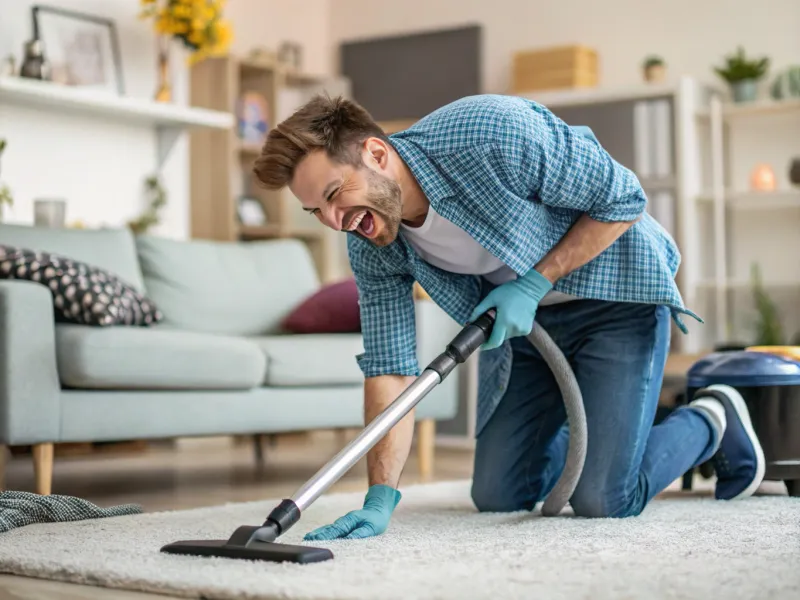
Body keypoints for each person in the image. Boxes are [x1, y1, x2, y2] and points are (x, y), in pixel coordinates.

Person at [253, 93, 765, 541]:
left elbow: (623, 197)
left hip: (615, 302)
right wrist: (380, 496)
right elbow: (391, 369)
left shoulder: (492, 133)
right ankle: (612, 429)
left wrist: (536, 281)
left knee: (605, 500)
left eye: (334, 195)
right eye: (315, 212)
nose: (334, 222)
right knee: (499, 493)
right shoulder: (371, 243)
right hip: (530, 332)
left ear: (377, 153)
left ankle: (711, 417)